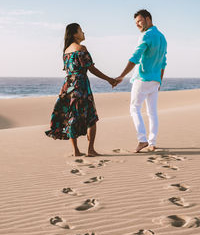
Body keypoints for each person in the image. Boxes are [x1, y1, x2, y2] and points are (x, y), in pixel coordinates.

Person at [45, 23, 116, 157]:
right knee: (91, 116)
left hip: (68, 85)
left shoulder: (66, 51)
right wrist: (109, 79)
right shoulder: (81, 48)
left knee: (71, 116)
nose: (83, 33)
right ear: (74, 34)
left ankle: (76, 151)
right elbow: (92, 68)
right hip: (81, 85)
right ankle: (91, 150)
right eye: (81, 30)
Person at [115, 9, 167, 152]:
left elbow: (134, 58)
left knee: (134, 108)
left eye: (139, 21)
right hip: (155, 81)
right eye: (136, 22)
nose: (137, 25)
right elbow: (163, 63)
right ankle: (152, 142)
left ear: (148, 19)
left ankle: (142, 140)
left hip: (142, 79)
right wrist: (159, 81)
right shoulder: (162, 37)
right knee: (152, 112)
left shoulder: (146, 36)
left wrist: (121, 75)